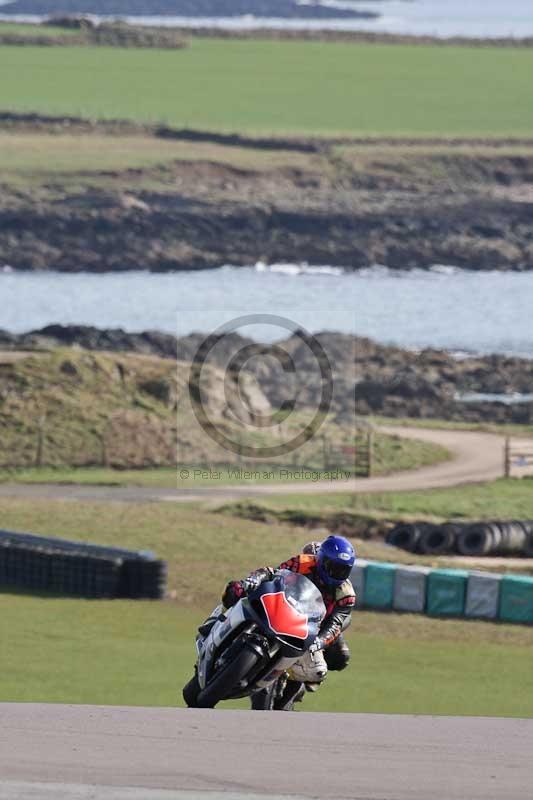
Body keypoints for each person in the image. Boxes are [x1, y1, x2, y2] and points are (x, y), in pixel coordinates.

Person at [221, 535, 356, 707]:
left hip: (314, 629)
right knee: (235, 592)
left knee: (330, 663)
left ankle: (299, 683)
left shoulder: (346, 594)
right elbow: (275, 575)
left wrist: (319, 642)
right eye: (333, 567)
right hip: (286, 611)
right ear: (320, 560)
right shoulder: (301, 563)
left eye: (343, 570)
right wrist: (253, 582)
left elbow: (335, 624)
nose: (337, 573)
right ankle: (219, 626)